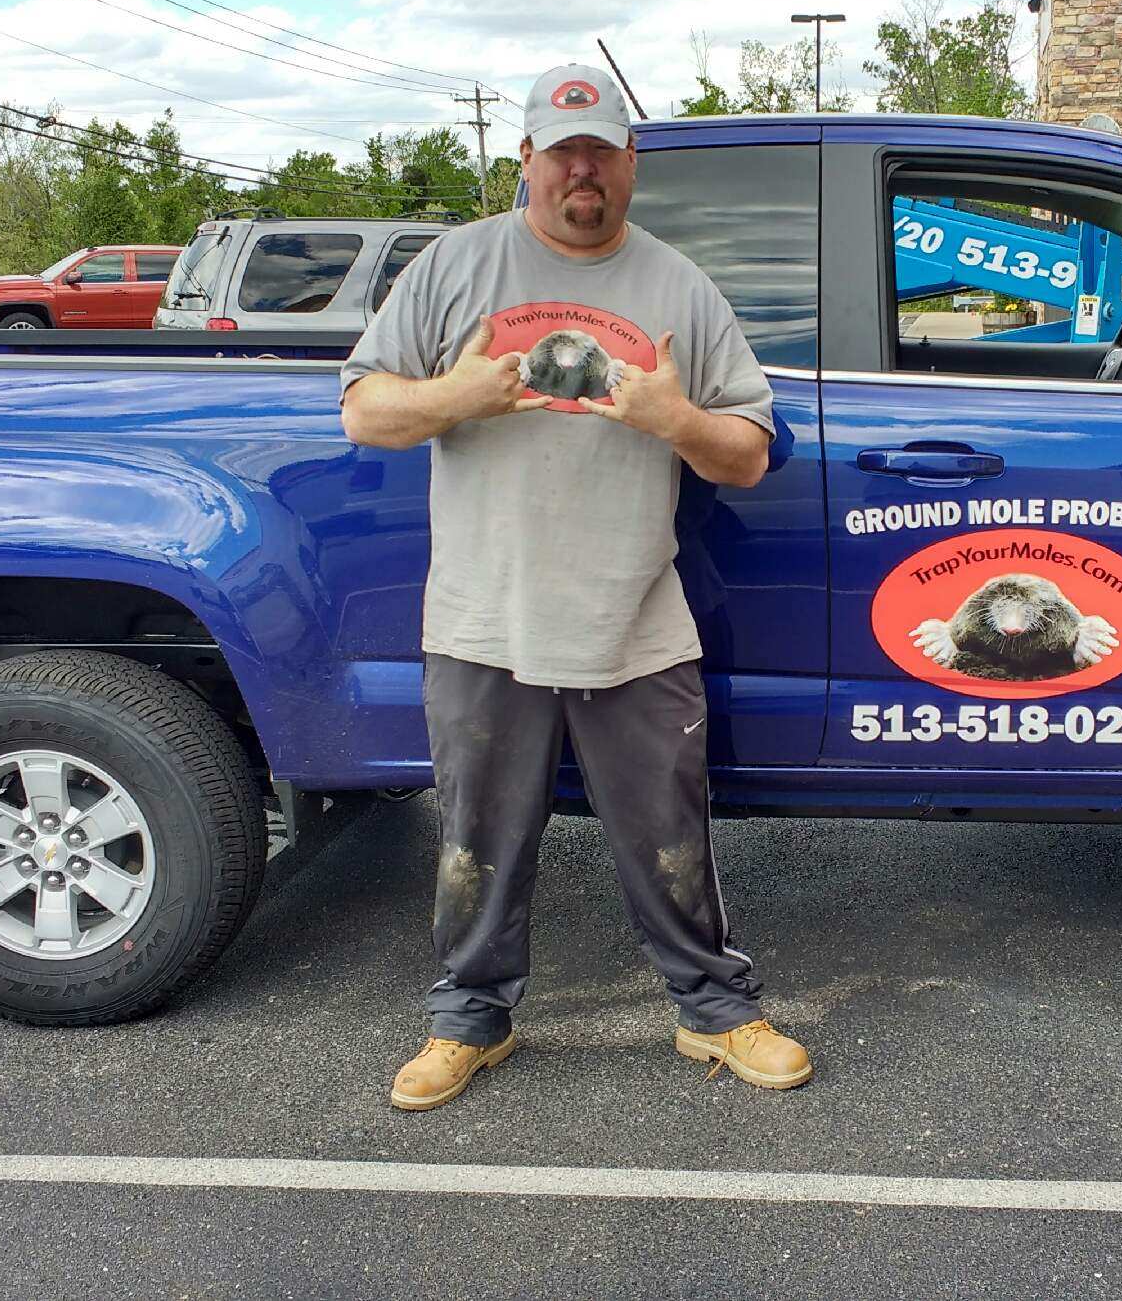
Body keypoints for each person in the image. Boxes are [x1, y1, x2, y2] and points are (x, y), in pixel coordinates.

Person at [338, 63, 812, 1111]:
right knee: (475, 837)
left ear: (630, 163)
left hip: (635, 615)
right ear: (527, 161)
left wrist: (673, 418)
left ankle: (715, 1009)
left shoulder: (678, 285)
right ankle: (468, 1017)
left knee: (672, 833)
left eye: (601, 150)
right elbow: (364, 411)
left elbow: (744, 452)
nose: (582, 171)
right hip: (483, 615)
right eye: (563, 154)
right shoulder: (456, 266)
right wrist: (454, 393)